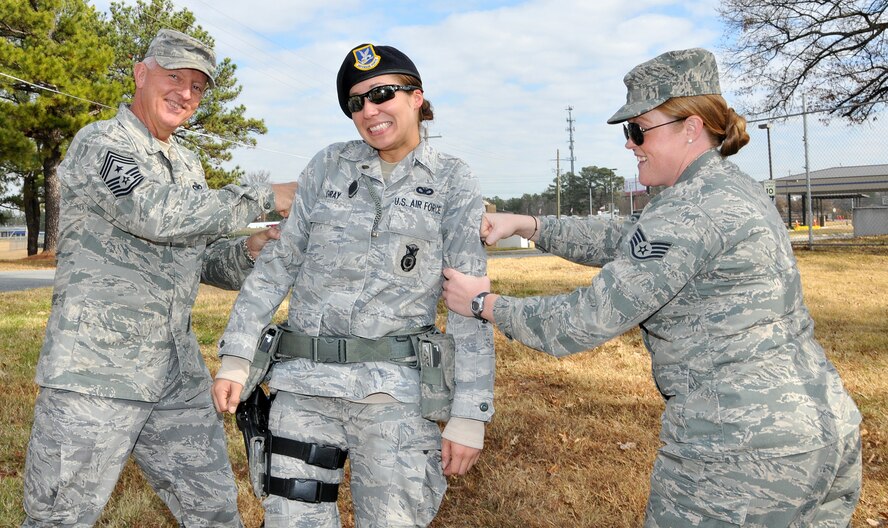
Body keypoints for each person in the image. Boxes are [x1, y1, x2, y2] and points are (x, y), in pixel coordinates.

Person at [442, 48, 861, 527]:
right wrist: (531, 225)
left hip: (740, 454)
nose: (629, 144)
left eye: (639, 129)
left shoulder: (689, 209)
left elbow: (583, 321)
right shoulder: (728, 188)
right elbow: (626, 236)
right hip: (822, 429)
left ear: (691, 126)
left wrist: (482, 303)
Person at [21, 29, 297, 527]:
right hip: (96, 375)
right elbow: (153, 213)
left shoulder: (187, 164)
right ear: (140, 74)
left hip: (174, 375)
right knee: (59, 518)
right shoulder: (102, 144)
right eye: (174, 77)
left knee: (214, 511)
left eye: (197, 86)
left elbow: (200, 258)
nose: (185, 93)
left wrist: (248, 251)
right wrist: (264, 195)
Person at [211, 43, 495, 527]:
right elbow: (277, 266)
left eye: (382, 94)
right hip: (304, 390)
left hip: (395, 400)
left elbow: (470, 300)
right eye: (356, 102)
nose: (369, 110)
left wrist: (470, 414)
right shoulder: (328, 167)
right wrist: (236, 360)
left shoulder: (453, 179)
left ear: (416, 97)